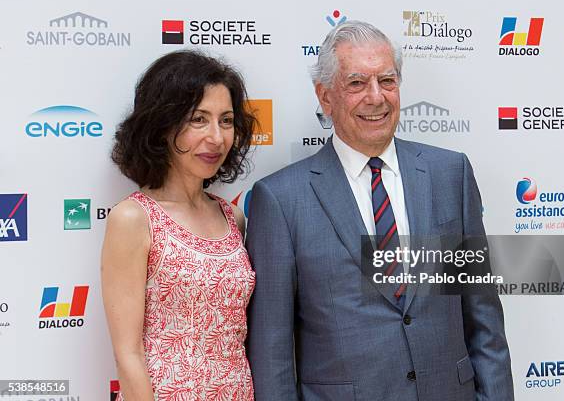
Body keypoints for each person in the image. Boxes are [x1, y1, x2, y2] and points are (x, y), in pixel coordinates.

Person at [246, 21, 514, 400]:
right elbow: (272, 352)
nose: (376, 97)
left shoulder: (449, 174)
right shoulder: (280, 199)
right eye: (356, 84)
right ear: (325, 97)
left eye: (387, 81)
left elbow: (483, 316)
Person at [101, 50, 256, 400]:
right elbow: (128, 355)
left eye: (226, 120)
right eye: (198, 119)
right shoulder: (134, 219)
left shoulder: (233, 217)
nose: (216, 137)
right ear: (163, 124)